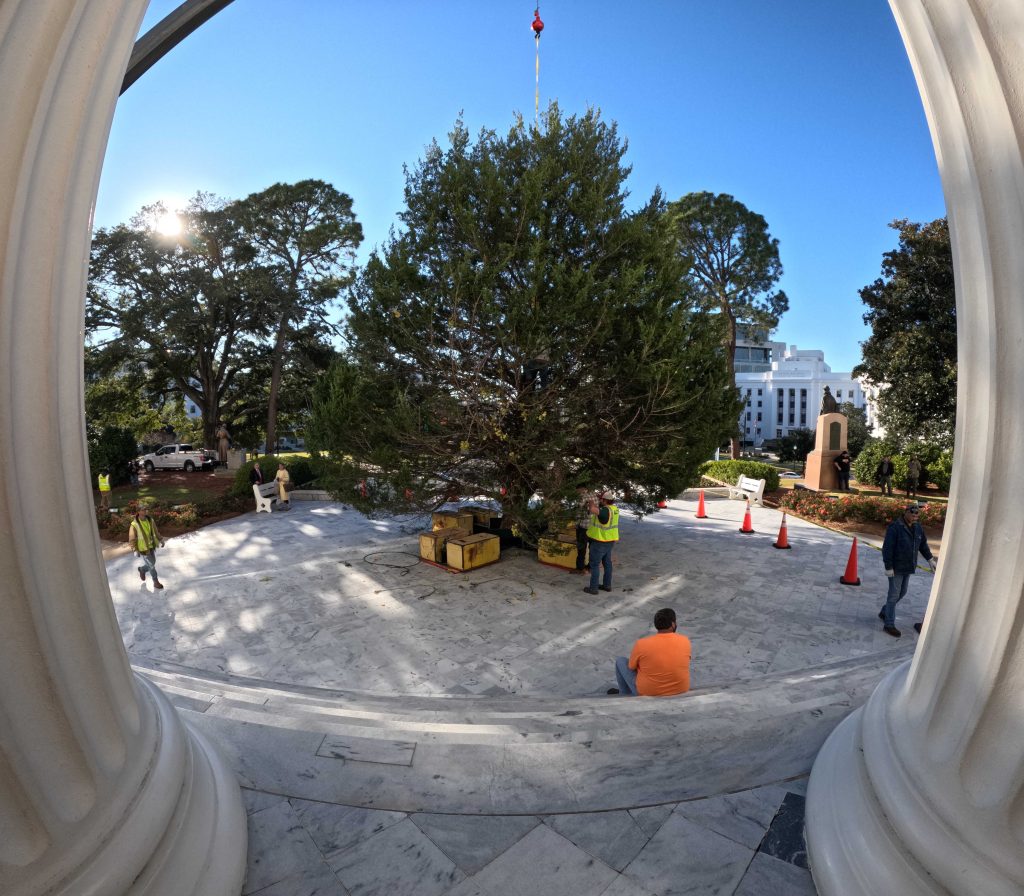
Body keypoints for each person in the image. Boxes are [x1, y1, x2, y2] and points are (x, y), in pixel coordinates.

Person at [879, 503, 935, 637]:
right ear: (906, 513)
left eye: (917, 514)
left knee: (902, 593)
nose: (915, 516)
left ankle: (885, 611)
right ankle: (889, 624)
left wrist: (930, 559)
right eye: (912, 513)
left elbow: (923, 545)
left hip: (908, 567)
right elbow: (887, 548)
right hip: (896, 567)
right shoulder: (895, 527)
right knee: (893, 595)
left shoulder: (918, 528)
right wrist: (888, 567)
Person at [608, 608, 691, 696]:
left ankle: (624, 693)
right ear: (673, 624)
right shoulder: (685, 640)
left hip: (649, 691)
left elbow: (631, 667)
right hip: (681, 688)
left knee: (620, 661)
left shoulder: (641, 644)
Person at [583, 493, 619, 595]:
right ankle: (607, 585)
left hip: (599, 542)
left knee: (594, 565)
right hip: (609, 541)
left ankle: (593, 588)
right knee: (607, 563)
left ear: (604, 500)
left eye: (601, 499)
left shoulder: (604, 511)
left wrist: (590, 502)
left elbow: (593, 510)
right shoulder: (614, 509)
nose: (600, 501)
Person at [129, 505, 165, 590]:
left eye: (146, 509)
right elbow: (132, 538)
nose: (145, 511)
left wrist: (161, 539)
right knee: (151, 565)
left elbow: (156, 531)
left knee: (153, 562)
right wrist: (134, 549)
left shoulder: (150, 520)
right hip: (143, 548)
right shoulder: (134, 524)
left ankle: (142, 569)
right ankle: (155, 582)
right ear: (139, 511)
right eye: (143, 510)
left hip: (151, 546)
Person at [572, 485, 596, 575]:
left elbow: (579, 512)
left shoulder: (582, 497)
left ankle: (580, 568)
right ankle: (590, 567)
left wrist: (576, 524)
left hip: (583, 526)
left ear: (581, 488)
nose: (576, 492)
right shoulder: (594, 494)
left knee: (581, 548)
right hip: (593, 527)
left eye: (577, 490)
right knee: (592, 548)